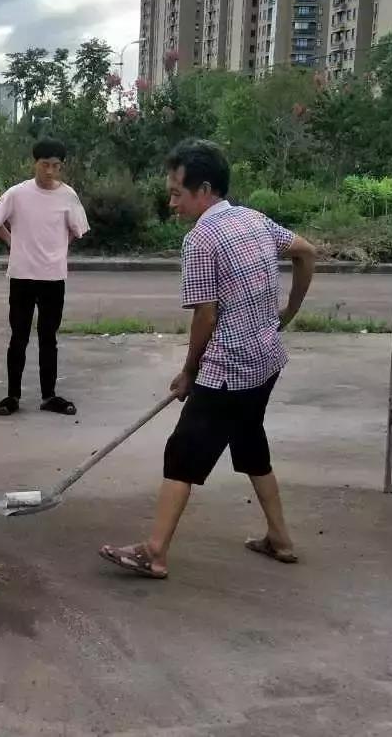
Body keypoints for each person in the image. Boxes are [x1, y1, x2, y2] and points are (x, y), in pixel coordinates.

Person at [100, 139, 316, 579]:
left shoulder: (200, 239)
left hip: (229, 369)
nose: (171, 201)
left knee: (183, 453)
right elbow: (307, 251)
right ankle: (281, 539)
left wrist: (189, 370)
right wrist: (289, 311)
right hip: (266, 361)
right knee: (250, 442)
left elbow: (205, 313)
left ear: (203, 189)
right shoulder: (254, 220)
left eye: (177, 192)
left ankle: (154, 552)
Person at [0, 137, 89, 417]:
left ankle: (49, 395)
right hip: (22, 275)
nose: (50, 172)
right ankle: (12, 396)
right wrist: (12, 242)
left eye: (56, 166)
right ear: (35, 163)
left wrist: (58, 250)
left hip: (53, 277)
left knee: (48, 337)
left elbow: (78, 229)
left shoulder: (68, 195)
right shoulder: (18, 194)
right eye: (45, 165)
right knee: (18, 336)